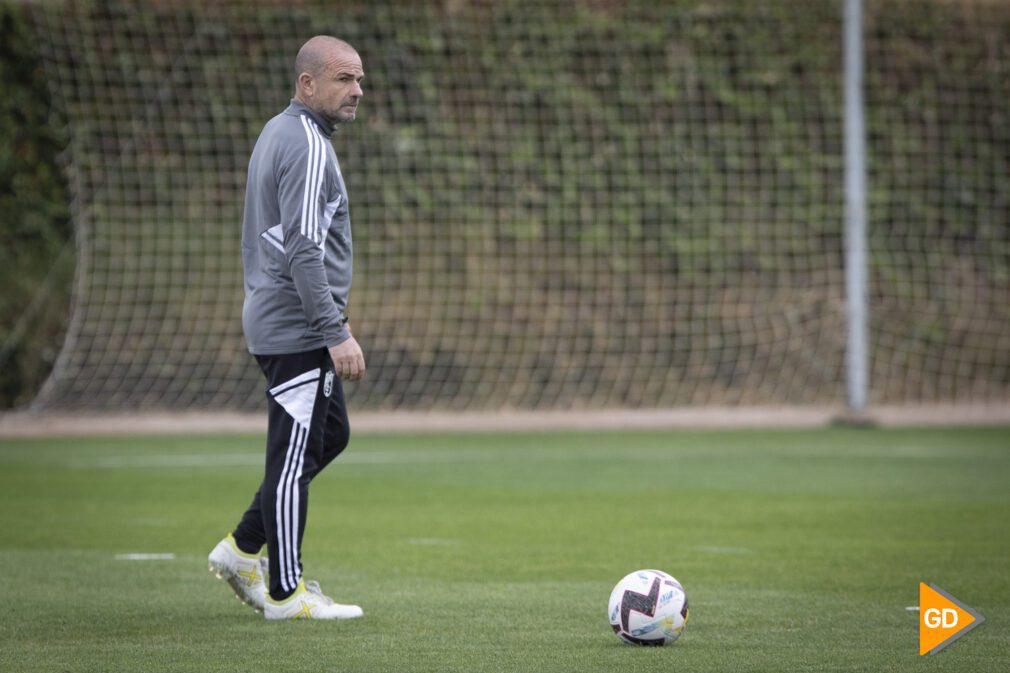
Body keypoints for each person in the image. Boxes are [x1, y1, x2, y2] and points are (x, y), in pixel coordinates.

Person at [208, 35, 366, 620]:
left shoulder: (283, 131)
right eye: (344, 79)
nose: (356, 91)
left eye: (359, 80)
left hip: (284, 318)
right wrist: (334, 330)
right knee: (294, 456)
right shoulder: (306, 143)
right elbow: (303, 248)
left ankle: (243, 547)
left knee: (328, 436)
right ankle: (284, 593)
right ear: (308, 84)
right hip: (296, 327)